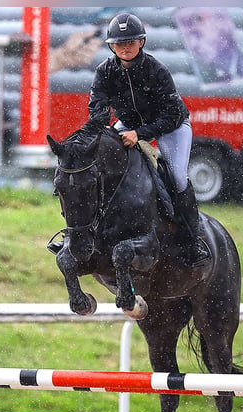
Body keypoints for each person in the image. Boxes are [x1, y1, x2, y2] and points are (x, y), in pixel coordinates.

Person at [84, 12, 209, 265]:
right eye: (120, 43)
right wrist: (102, 132)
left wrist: (140, 134)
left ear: (141, 42)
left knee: (177, 177)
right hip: (129, 124)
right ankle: (87, 234)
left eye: (131, 42)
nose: (125, 47)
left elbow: (171, 115)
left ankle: (193, 239)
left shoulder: (156, 70)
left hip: (171, 126)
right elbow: (97, 109)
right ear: (112, 46)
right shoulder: (105, 71)